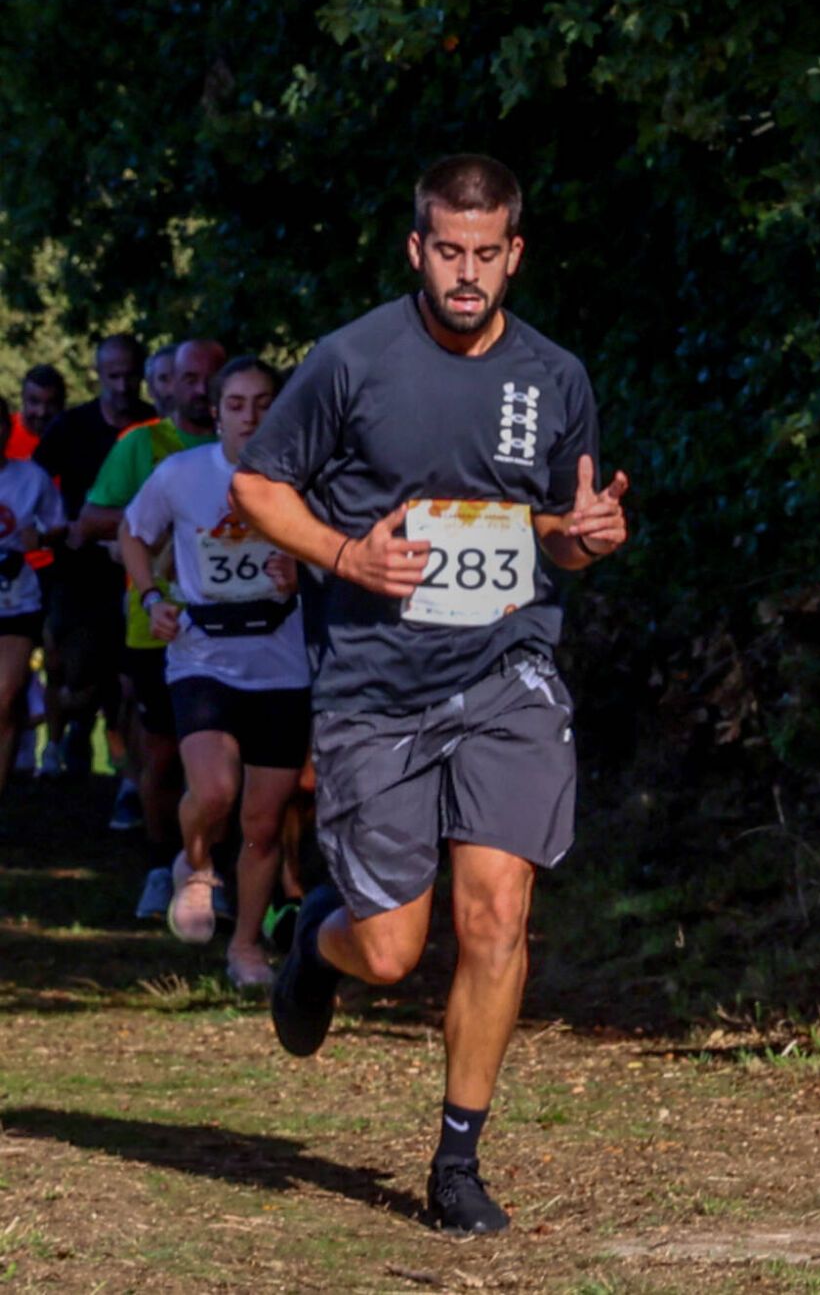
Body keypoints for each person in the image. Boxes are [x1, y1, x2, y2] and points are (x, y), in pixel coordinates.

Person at [233, 153, 629, 1236]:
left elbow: (558, 524)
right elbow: (256, 483)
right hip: (377, 688)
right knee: (393, 950)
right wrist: (342, 556)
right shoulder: (351, 361)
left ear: (514, 253)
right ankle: (319, 939)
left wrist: (585, 539)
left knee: (497, 911)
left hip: (509, 673)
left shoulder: (555, 376)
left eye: (485, 254)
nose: (466, 274)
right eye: (447, 253)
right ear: (418, 249)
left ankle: (457, 1160)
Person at [120, 356, 305, 988]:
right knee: (217, 790)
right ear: (216, 411)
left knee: (261, 821)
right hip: (203, 656)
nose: (250, 417)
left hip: (282, 663)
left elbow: (345, 555)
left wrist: (303, 570)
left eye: (263, 404)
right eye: (236, 404)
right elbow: (132, 532)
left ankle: (246, 948)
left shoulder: (306, 479)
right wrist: (152, 598)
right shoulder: (181, 475)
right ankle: (196, 864)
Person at [82, 337, 223, 856]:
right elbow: (91, 519)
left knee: (227, 763)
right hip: (158, 623)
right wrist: (167, 524)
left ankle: (219, 868)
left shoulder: (257, 447)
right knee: (163, 755)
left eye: (211, 377)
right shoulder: (143, 444)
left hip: (242, 628)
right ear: (168, 384)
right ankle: (164, 863)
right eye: (188, 378)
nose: (200, 389)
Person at [34, 335, 150, 786]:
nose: (122, 385)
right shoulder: (72, 426)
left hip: (135, 570)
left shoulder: (150, 426)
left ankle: (127, 776)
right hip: (78, 572)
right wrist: (57, 525)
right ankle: (71, 734)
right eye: (113, 376)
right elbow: (33, 483)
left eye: (129, 375)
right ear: (99, 375)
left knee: (130, 677)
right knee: (74, 677)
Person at [0, 389, 67, 803]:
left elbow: (60, 526)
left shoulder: (31, 477)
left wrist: (38, 536)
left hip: (16, 602)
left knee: (4, 699)